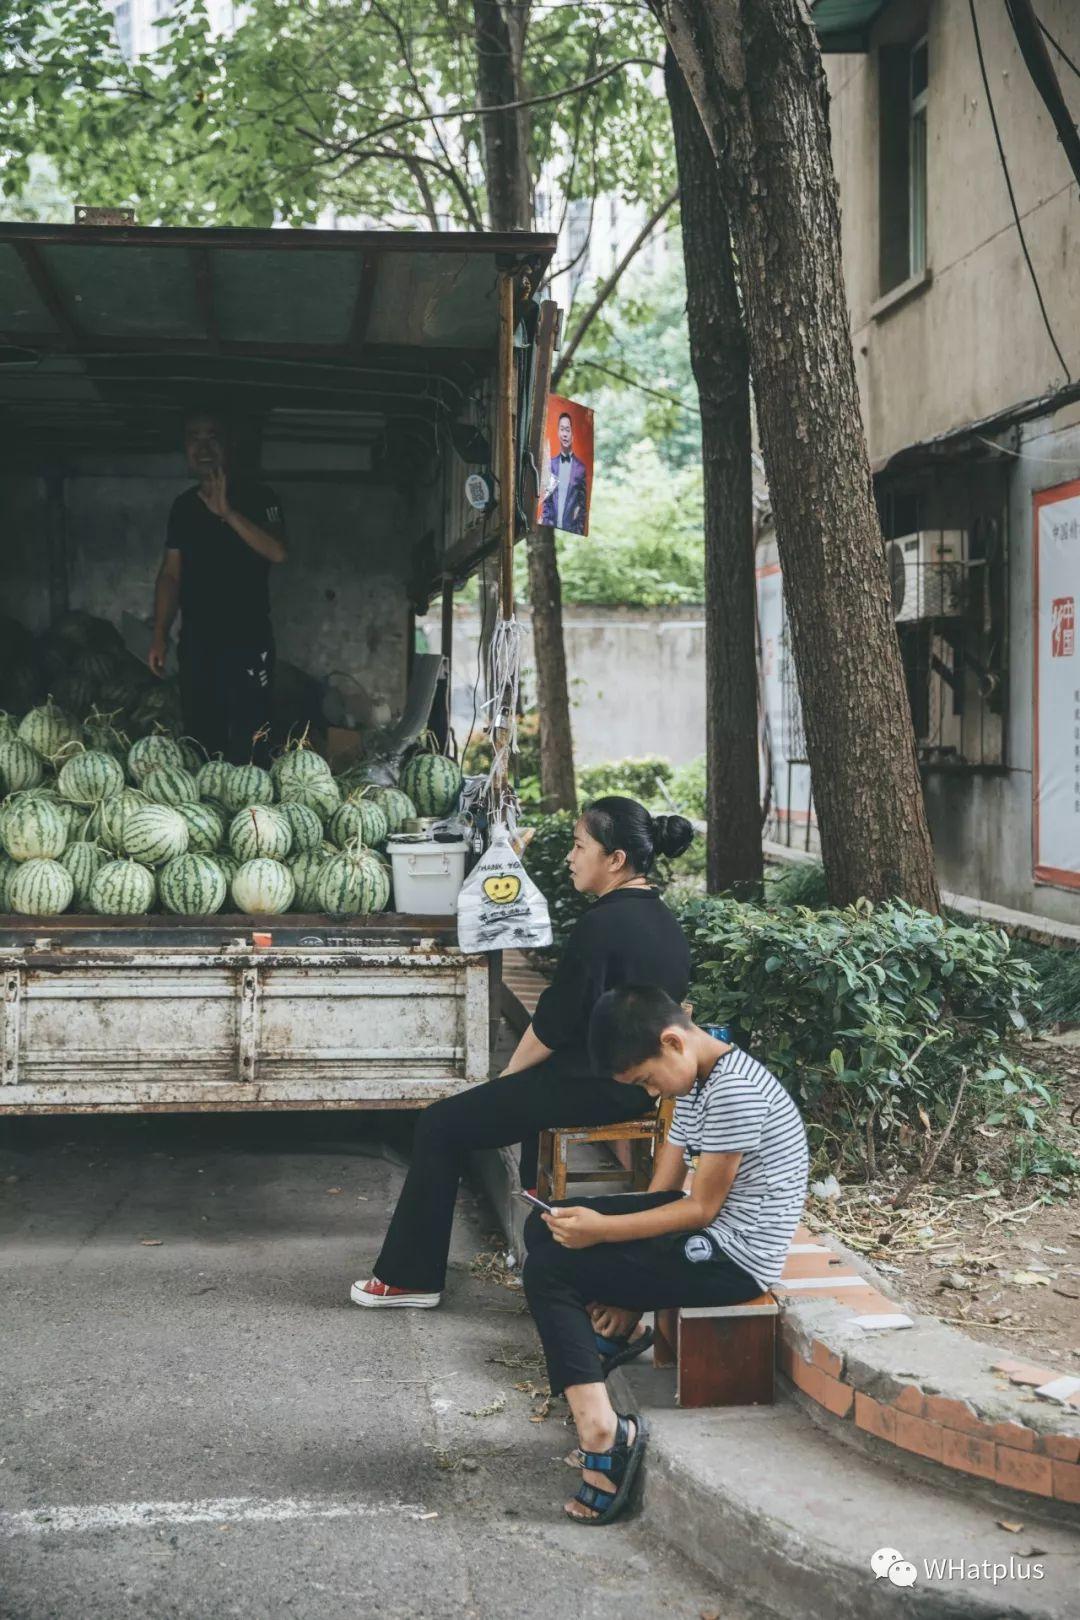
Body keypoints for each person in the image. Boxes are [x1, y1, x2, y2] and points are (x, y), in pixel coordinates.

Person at [351, 798, 695, 1309]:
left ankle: (410, 1278)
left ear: (615, 859)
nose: (570, 858)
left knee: (440, 1124)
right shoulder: (664, 921)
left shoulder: (601, 926)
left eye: (580, 848)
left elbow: (552, 1027)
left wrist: (506, 1080)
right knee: (468, 1117)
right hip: (631, 1085)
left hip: (596, 1086)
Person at [520, 985, 809, 1525]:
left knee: (551, 1266)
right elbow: (666, 1185)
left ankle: (605, 1433)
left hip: (734, 1258)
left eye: (648, 1080)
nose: (652, 1091)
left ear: (673, 1042)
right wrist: (627, 1268)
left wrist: (608, 1232)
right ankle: (605, 1339)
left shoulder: (735, 1092)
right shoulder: (699, 1077)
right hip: (707, 1235)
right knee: (546, 1227)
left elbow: (698, 1209)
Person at [149, 410, 287, 766]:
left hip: (248, 642)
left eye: (212, 436)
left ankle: (253, 816)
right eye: (194, 437)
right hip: (198, 644)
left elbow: (278, 551)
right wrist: (160, 633)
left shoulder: (260, 497)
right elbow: (171, 574)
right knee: (200, 741)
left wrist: (227, 513)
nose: (203, 446)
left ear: (229, 444)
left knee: (253, 741)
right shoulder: (183, 507)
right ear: (185, 446)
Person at [539, 411, 588, 534]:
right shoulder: (551, 465)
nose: (565, 434)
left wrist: (577, 529)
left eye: (568, 430)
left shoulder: (581, 468)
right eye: (562, 430)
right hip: (550, 526)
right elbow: (547, 501)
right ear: (558, 432)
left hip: (571, 531)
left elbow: (582, 506)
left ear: (573, 434)